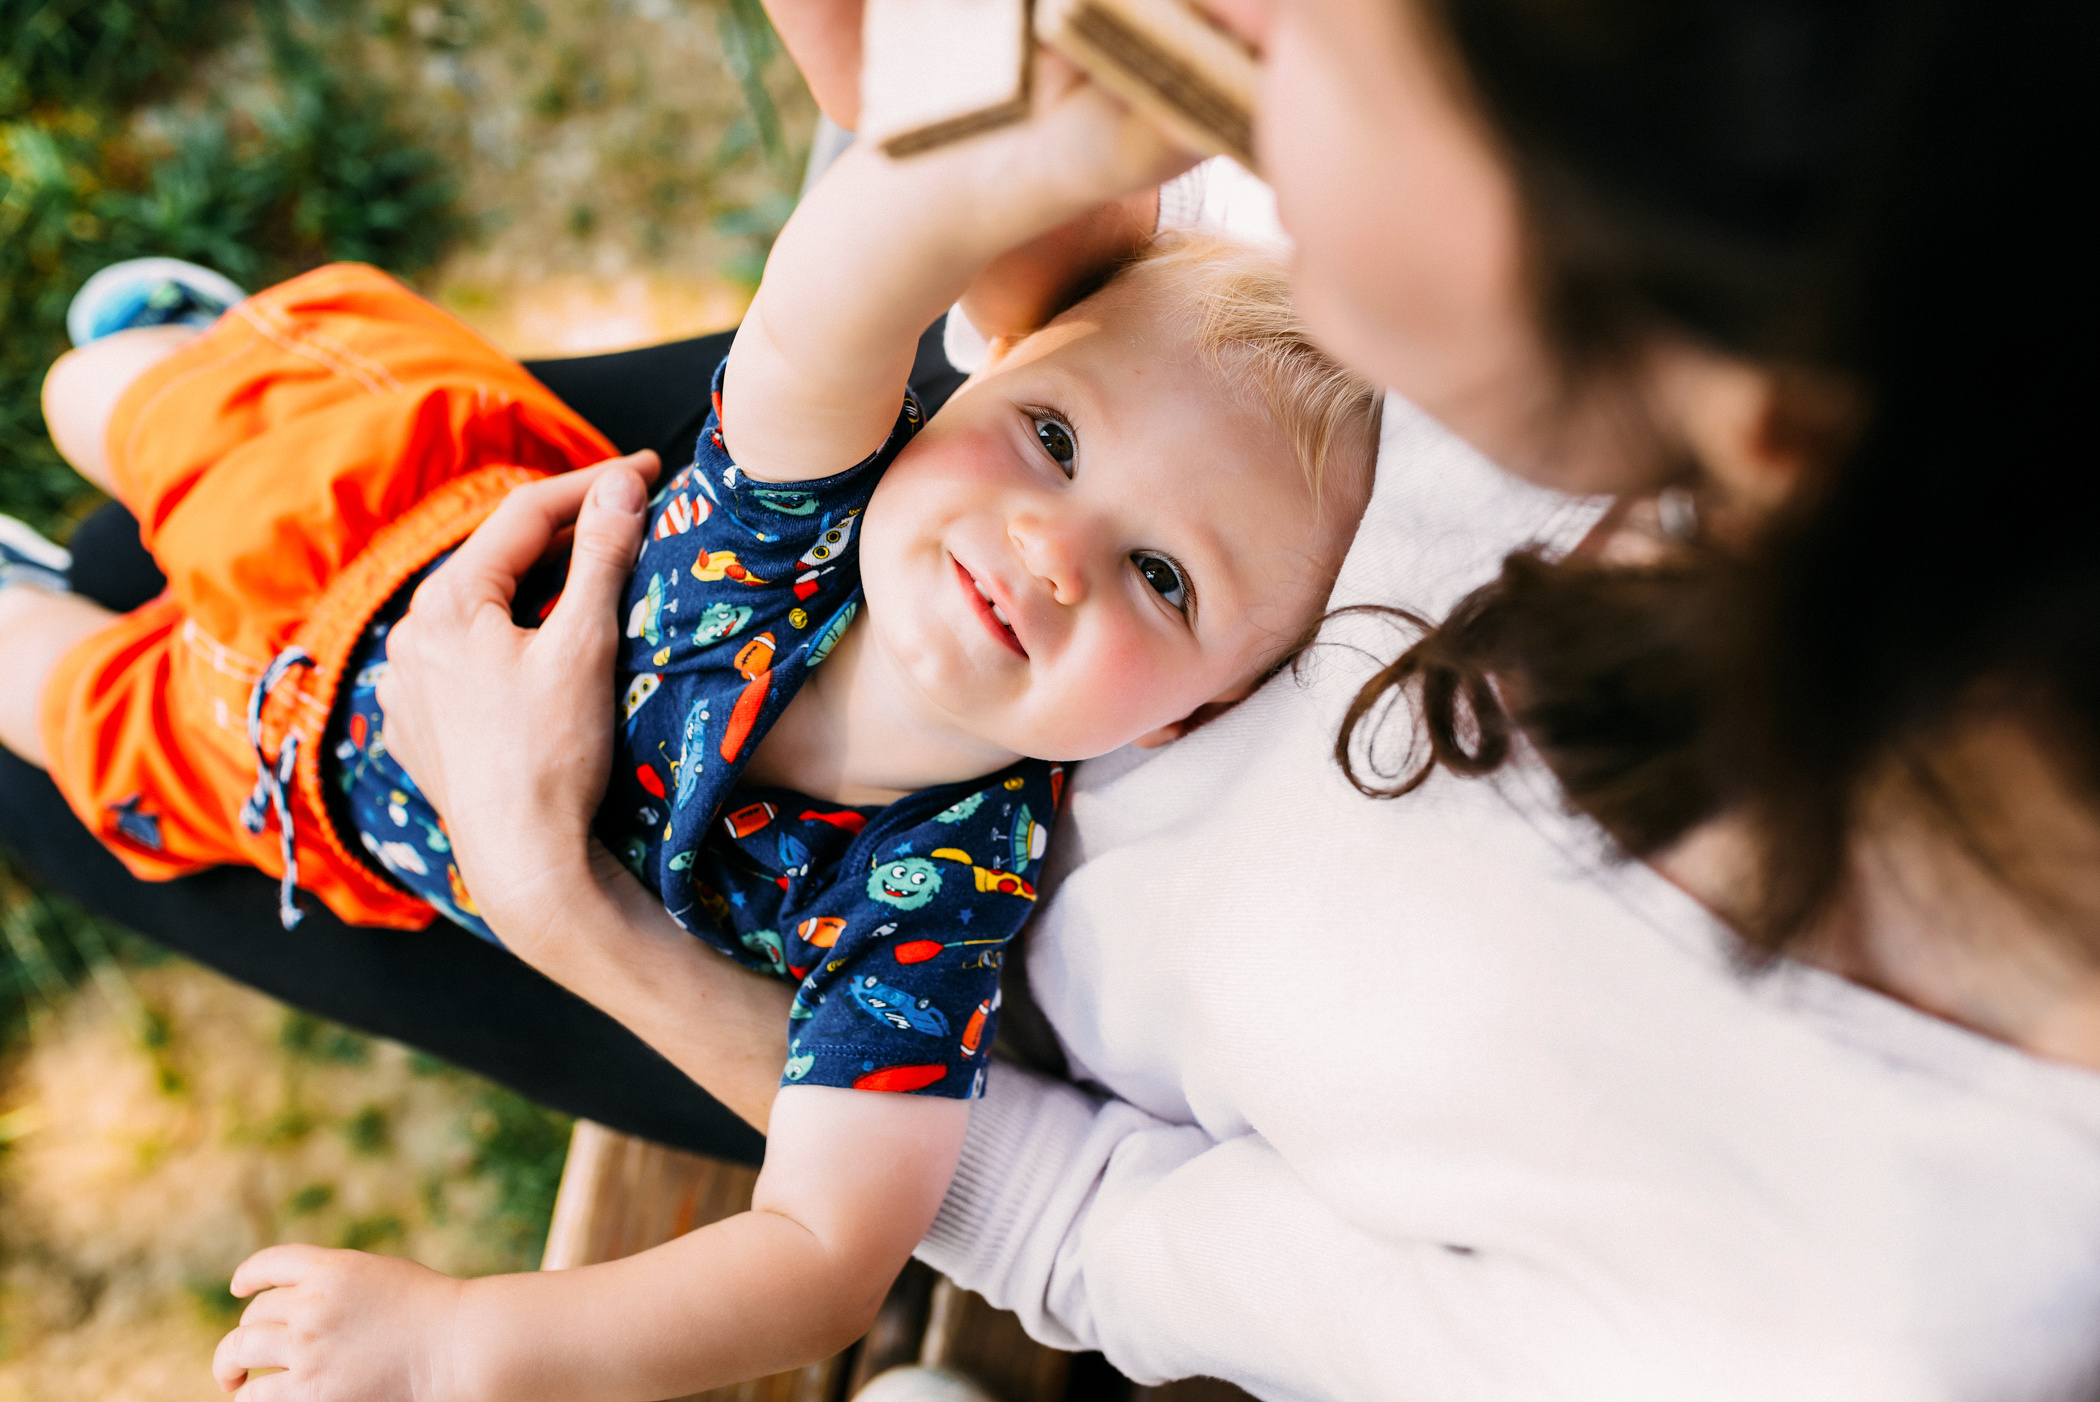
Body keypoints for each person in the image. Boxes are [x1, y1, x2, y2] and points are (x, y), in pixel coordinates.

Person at [363, 0, 2100, 1397]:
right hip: (901, 492)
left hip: (805, 986)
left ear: (1767, 427)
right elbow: (1121, 251)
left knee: (112, 784)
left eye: (1343, 55)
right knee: (307, 487)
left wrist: (561, 907)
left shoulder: (1880, 1315)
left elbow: (1072, 1221)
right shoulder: (1847, 218)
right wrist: (1025, 219)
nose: (1263, 50)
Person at [4, 55, 1378, 1396]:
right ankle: (175, 347)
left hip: (294, 760)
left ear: (1202, 713)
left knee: (55, 708)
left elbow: (828, 1253)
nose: (1050, 547)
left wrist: (462, 1344)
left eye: (1164, 576)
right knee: (113, 398)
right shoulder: (809, 502)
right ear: (983, 373)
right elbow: (836, 287)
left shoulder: (934, 897)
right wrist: (1048, 142)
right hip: (377, 498)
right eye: (1055, 438)